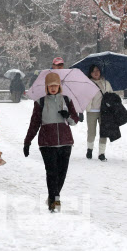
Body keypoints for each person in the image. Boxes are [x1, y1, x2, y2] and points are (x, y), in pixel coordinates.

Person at [23, 72, 82, 212]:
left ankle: (53, 197)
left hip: (65, 141)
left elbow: (74, 121)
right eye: (50, 86)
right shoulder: (40, 102)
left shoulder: (66, 100)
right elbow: (34, 123)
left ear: (59, 86)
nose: (53, 88)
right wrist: (27, 141)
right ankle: (55, 201)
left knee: (62, 173)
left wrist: (67, 116)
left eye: (56, 85)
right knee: (52, 172)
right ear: (46, 87)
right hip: (47, 143)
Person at [85, 64, 113, 161]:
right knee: (91, 133)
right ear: (90, 73)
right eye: (93, 71)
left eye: (97, 70)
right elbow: (84, 97)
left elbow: (112, 96)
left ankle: (101, 153)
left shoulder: (106, 83)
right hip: (91, 111)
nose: (96, 73)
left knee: (103, 133)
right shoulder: (87, 83)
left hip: (104, 112)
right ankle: (89, 149)